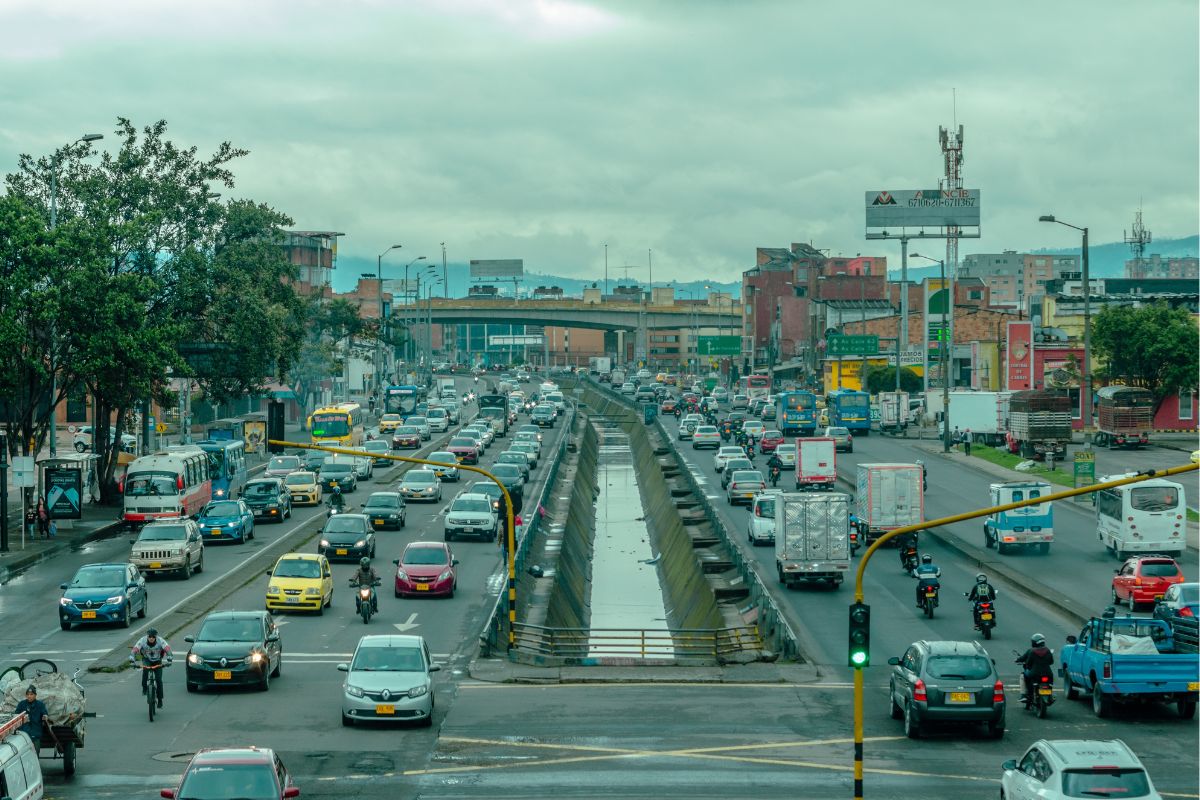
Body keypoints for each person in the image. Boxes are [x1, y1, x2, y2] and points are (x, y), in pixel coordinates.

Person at [130, 628, 173, 708]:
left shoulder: (161, 641)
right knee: (145, 670)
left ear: (156, 637)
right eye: (149, 636)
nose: (151, 638)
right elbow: (134, 650)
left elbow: (167, 649)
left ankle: (160, 699)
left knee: (159, 680)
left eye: (153, 637)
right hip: (147, 659)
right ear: (147, 636)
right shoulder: (142, 641)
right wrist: (132, 659)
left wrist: (169, 658)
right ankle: (144, 688)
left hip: (157, 660)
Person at [1015, 633, 1055, 702]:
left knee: (1023, 675)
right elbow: (1051, 662)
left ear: (1034, 642)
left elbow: (1028, 664)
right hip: (1048, 673)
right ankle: (1050, 696)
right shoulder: (1048, 650)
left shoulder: (1031, 651)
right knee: (1050, 684)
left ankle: (1024, 695)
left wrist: (1025, 665)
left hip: (1034, 674)